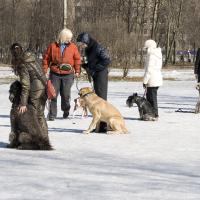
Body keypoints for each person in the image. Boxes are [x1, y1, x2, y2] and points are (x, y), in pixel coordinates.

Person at [10, 43, 48, 136]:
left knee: (34, 115)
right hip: (44, 87)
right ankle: (44, 137)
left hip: (36, 91)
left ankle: (40, 139)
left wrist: (23, 103)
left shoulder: (22, 64)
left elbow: (25, 85)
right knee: (40, 114)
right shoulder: (32, 58)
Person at [42, 28, 81, 121]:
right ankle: (52, 114)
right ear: (63, 37)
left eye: (70, 38)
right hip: (55, 73)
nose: (70, 40)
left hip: (68, 74)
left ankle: (66, 109)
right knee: (53, 94)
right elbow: (46, 59)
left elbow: (77, 59)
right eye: (68, 38)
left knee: (65, 95)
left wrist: (77, 71)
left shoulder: (73, 47)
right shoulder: (52, 46)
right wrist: (44, 70)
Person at [77, 32, 111, 132]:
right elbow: (92, 62)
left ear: (86, 41)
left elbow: (107, 60)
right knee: (97, 101)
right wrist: (84, 65)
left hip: (101, 74)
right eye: (80, 44)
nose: (81, 46)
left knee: (101, 99)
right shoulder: (89, 48)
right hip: (95, 74)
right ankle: (98, 125)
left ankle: (104, 125)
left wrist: (94, 69)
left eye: (82, 44)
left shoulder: (98, 47)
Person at [143, 39, 163, 120]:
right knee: (151, 98)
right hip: (156, 78)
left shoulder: (151, 55)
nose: (145, 50)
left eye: (146, 48)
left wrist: (145, 81)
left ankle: (155, 114)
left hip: (152, 79)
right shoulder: (158, 54)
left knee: (152, 98)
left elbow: (149, 70)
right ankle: (151, 114)